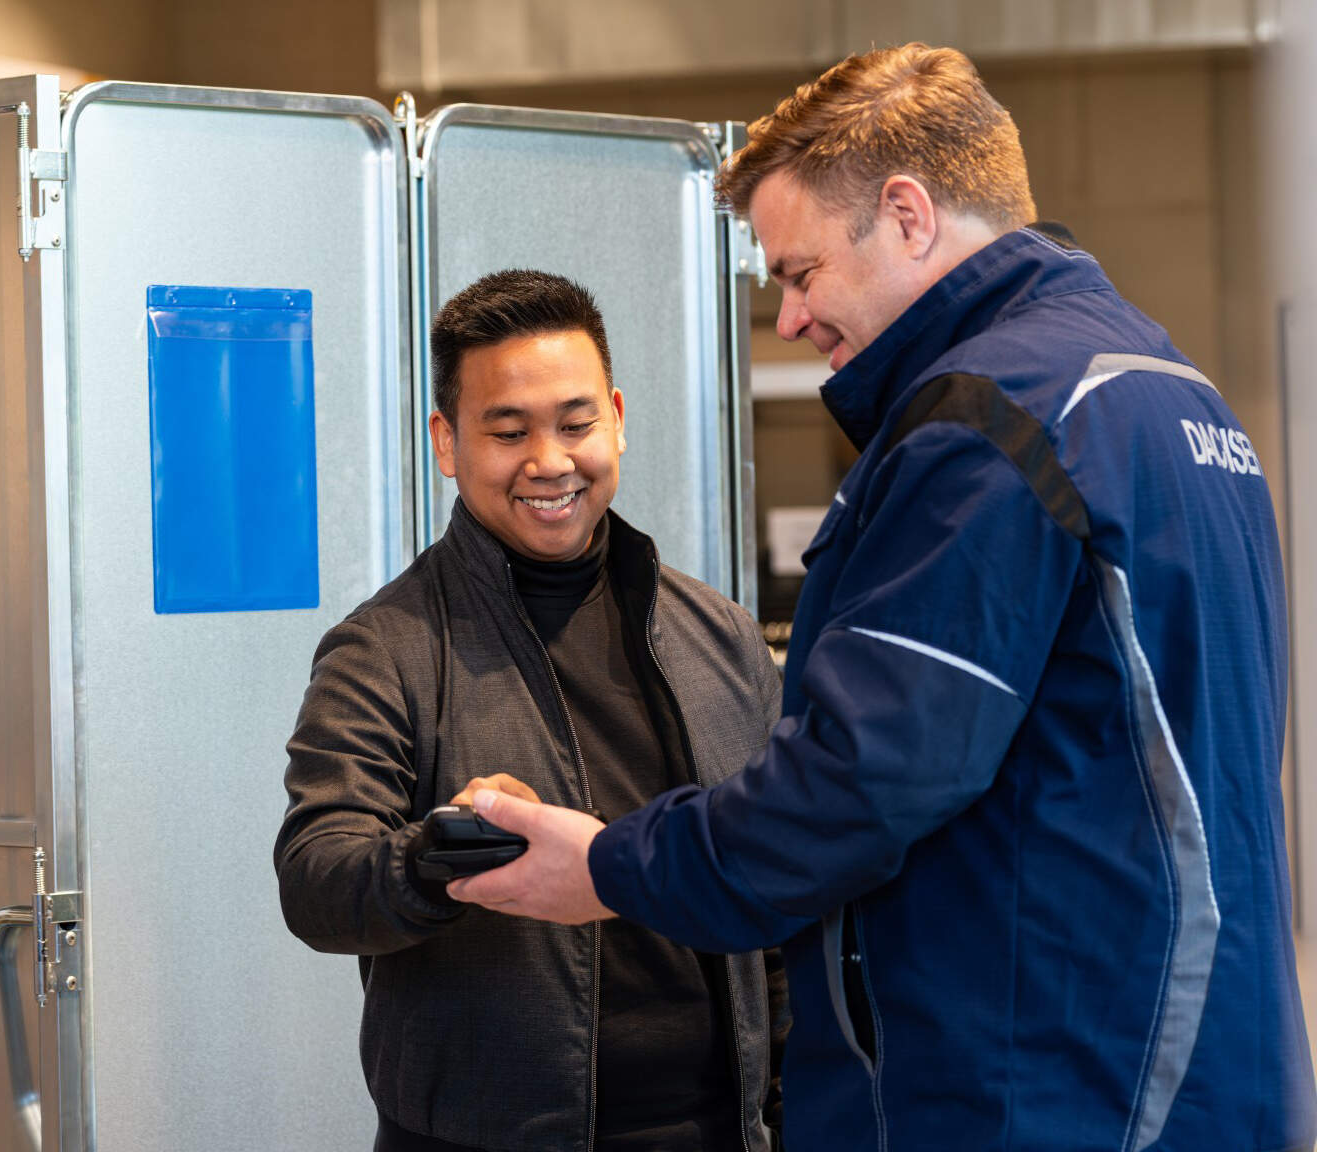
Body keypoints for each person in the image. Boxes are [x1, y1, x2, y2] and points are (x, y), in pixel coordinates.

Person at [446, 43, 1317, 1152]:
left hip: (1038, 1089)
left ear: (905, 215)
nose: (792, 319)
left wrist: (606, 866)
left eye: (800, 273)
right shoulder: (1164, 391)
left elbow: (859, 784)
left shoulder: (988, 426)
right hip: (1194, 1067)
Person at [275, 269, 787, 1151]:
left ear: (617, 419)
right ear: (446, 441)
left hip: (726, 1127)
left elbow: (779, 876)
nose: (550, 461)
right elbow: (317, 876)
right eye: (508, 431)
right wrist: (434, 854)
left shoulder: (721, 634)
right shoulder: (387, 648)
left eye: (576, 423)